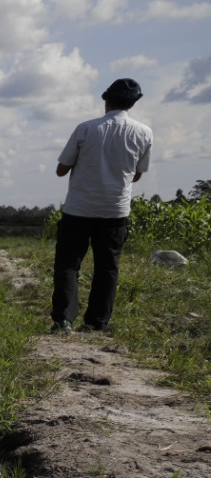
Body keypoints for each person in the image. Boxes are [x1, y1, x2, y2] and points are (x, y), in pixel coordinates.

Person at [51, 78, 153, 333]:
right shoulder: (144, 133)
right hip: (115, 211)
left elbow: (61, 170)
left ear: (106, 100)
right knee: (107, 267)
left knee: (68, 264)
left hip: (79, 209)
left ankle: (63, 320)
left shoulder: (85, 129)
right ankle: (96, 322)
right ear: (133, 104)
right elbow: (138, 174)